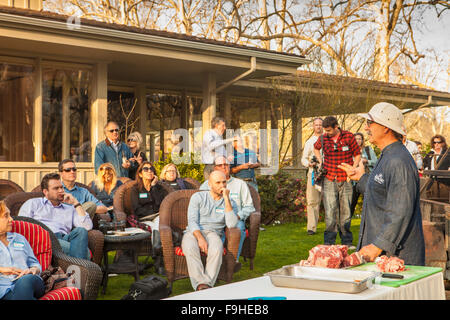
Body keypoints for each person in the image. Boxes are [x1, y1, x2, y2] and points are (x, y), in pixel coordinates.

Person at [339, 102, 425, 265]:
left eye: (370, 123)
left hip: (397, 258)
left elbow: (400, 211)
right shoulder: (387, 155)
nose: (366, 128)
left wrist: (378, 246)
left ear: (386, 127)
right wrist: (362, 178)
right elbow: (382, 191)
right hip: (383, 255)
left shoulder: (398, 160)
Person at [182, 170, 239, 291]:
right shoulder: (198, 197)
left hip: (213, 233)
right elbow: (192, 221)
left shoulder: (230, 202)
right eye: (218, 182)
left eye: (224, 182)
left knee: (217, 248)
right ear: (209, 184)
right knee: (190, 247)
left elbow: (232, 223)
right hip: (194, 231)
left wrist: (227, 199)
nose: (222, 186)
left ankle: (205, 284)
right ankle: (201, 284)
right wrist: (200, 238)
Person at [19, 173, 93, 260]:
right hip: (45, 238)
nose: (61, 191)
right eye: (56, 188)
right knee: (86, 254)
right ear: (46, 192)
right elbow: (22, 226)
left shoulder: (69, 208)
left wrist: (76, 203)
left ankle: (75, 269)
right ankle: (80, 268)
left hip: (65, 238)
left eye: (61, 187)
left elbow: (87, 226)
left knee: (81, 230)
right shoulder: (33, 203)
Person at [313, 116, 360, 248]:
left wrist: (353, 168)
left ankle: (346, 241)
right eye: (325, 130)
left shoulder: (349, 137)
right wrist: (320, 160)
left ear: (336, 127)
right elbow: (315, 148)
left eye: (328, 130)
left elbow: (357, 154)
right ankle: (329, 242)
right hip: (329, 178)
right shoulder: (323, 138)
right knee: (330, 211)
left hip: (346, 179)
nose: (326, 132)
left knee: (346, 211)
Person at [199, 156, 255, 262]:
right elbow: (200, 204)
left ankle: (232, 262)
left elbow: (249, 206)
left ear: (229, 167)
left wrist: (238, 216)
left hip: (235, 218)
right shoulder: (206, 185)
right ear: (215, 168)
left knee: (237, 228)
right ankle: (214, 261)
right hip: (213, 219)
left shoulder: (240, 184)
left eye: (226, 165)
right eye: (220, 165)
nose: (224, 167)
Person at [126, 162, 169, 274]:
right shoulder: (135, 189)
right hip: (143, 218)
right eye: (146, 169)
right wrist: (151, 212)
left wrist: (154, 187)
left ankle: (157, 257)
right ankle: (158, 261)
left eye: (151, 169)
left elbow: (160, 204)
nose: (149, 171)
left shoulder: (159, 188)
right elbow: (136, 208)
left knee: (157, 224)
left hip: (157, 216)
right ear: (140, 174)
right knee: (157, 226)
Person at [0, 200, 45, 300]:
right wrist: (2, 269)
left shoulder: (19, 238)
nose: (11, 219)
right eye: (6, 215)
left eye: (10, 215)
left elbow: (35, 263)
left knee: (25, 281)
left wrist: (33, 270)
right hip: (4, 289)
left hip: (31, 281)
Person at [59, 159, 108, 223]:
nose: (72, 172)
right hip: (62, 223)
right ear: (61, 174)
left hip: (81, 224)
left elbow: (103, 208)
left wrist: (82, 209)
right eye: (68, 170)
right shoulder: (56, 189)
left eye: (74, 169)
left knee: (91, 205)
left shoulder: (83, 191)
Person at [300, 117, 323, 235]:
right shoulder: (309, 141)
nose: (318, 126)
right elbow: (303, 158)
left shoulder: (328, 139)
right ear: (313, 126)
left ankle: (334, 227)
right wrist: (309, 164)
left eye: (320, 124)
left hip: (328, 173)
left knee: (332, 202)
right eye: (316, 125)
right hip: (313, 173)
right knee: (312, 201)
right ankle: (311, 227)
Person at [350, 133, 378, 218]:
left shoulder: (368, 149)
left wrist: (367, 161)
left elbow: (376, 161)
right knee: (352, 202)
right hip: (354, 181)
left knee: (369, 201)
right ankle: (345, 226)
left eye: (359, 139)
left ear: (362, 140)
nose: (358, 140)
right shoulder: (350, 151)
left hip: (367, 179)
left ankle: (370, 220)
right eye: (356, 139)